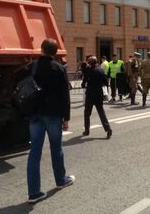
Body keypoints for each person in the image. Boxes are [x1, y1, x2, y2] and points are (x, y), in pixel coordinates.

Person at [27, 38, 75, 204]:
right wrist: (66, 117)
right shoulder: (59, 68)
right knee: (56, 148)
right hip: (54, 115)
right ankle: (61, 180)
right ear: (55, 52)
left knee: (35, 151)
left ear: (41, 50)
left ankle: (34, 192)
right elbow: (65, 95)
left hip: (35, 114)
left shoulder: (31, 67)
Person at [82, 56, 112, 139]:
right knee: (101, 112)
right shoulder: (101, 70)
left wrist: (84, 84)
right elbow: (105, 82)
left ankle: (87, 130)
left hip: (90, 93)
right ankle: (108, 129)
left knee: (87, 112)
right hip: (99, 93)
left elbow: (84, 82)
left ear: (90, 63)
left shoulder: (88, 70)